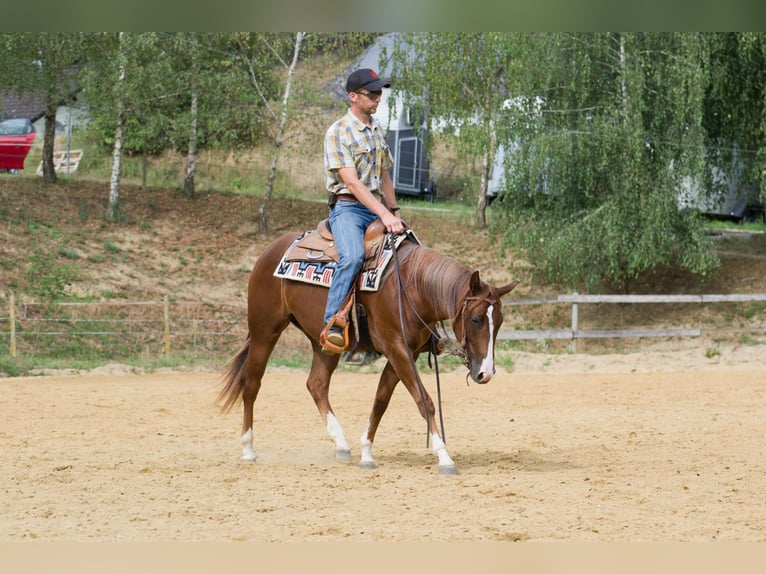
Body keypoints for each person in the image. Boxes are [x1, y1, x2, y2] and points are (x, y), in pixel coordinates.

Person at [322, 68, 405, 350]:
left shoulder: (377, 129)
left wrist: (393, 212)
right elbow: (353, 183)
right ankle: (332, 324)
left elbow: (384, 176)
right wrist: (382, 213)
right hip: (347, 209)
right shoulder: (338, 132)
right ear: (353, 96)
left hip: (377, 209)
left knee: (410, 253)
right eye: (372, 93)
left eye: (380, 93)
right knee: (353, 257)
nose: (378, 98)